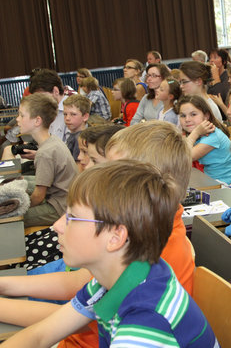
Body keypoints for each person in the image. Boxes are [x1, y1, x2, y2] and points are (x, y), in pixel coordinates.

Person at [0, 121, 197, 348]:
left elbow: (84, 325)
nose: (99, 174)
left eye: (112, 172)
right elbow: (75, 295)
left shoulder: (149, 256)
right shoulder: (135, 240)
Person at [2, 93, 77, 227]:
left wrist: (20, 209)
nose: (17, 120)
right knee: (22, 182)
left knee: (9, 218)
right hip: (65, 199)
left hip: (59, 207)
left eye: (21, 115)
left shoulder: (45, 153)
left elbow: (38, 196)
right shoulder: (52, 141)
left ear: (37, 121)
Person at [178, 95, 231, 184]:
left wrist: (195, 133)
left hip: (227, 185)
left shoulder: (212, 135)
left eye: (193, 114)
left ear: (206, 116)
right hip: (210, 180)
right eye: (183, 115)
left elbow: (185, 158)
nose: (187, 119)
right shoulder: (195, 134)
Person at [62, 94, 91, 161]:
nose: (67, 118)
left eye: (73, 114)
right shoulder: (73, 135)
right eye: (65, 114)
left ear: (85, 117)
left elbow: (77, 167)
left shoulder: (80, 140)